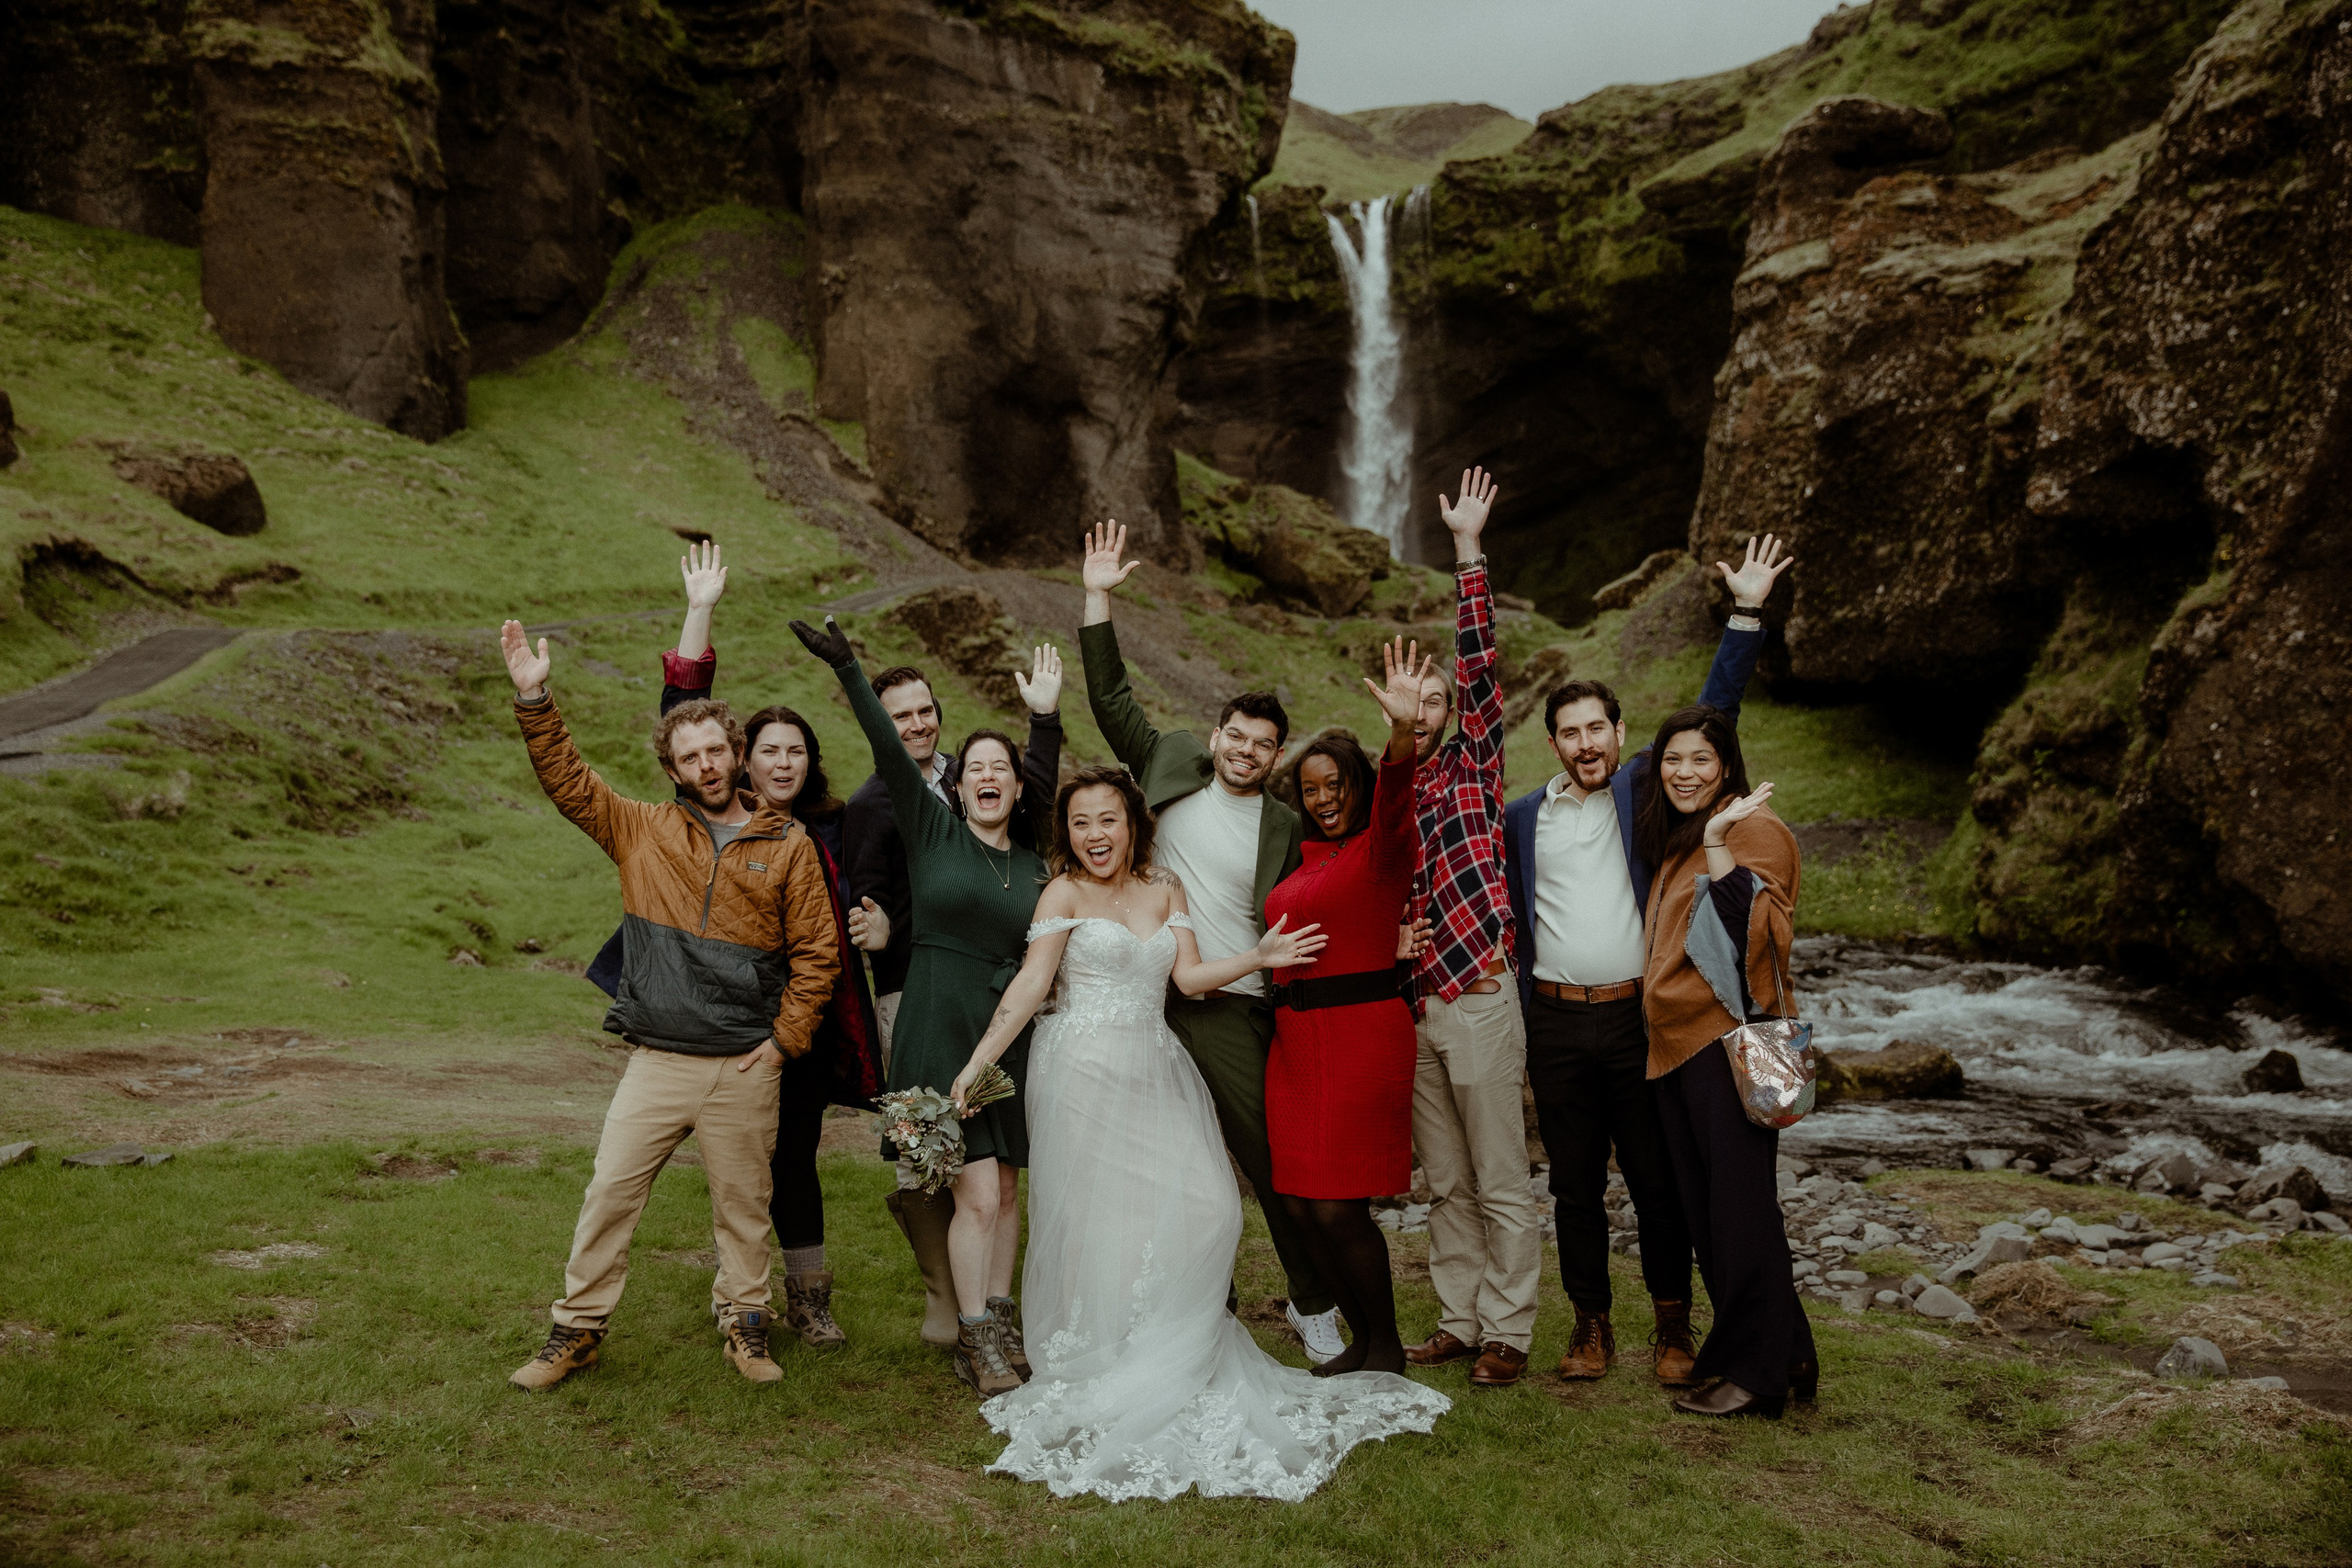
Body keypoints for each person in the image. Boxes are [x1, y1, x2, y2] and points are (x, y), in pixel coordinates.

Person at [949, 764, 1450, 1500]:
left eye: (1108, 819)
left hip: (1153, 1063)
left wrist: (1260, 957)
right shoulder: (1063, 893)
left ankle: (1171, 1343)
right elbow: (1031, 983)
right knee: (1099, 1214)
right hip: (1081, 1069)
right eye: (1082, 822)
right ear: (1070, 831)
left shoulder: (1164, 888)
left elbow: (1186, 979)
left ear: (1133, 823)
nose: (1095, 834)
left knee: (1209, 1205)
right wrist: (978, 1062)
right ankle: (1111, 1352)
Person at [496, 618, 840, 1392]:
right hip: (657, 1059)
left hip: (744, 1062)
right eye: (689, 757)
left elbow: (819, 956)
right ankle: (576, 1331)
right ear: (674, 768)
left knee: (745, 1209)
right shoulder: (639, 830)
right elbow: (568, 779)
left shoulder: (787, 844)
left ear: (737, 750)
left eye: (716, 749)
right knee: (609, 1194)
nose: (706, 764)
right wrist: (534, 699)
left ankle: (747, 1329)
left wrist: (783, 1044)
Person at [1499, 534, 1793, 1387]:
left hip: (1637, 1019)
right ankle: (1591, 1324)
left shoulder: (1642, 792)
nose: (1585, 742)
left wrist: (1746, 613)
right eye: (1569, 732)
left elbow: (1709, 727)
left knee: (1660, 1183)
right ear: (1551, 741)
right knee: (1575, 1186)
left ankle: (1675, 1322)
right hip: (1555, 1016)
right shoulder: (1525, 816)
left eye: (1598, 728)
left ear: (1619, 735)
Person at [582, 544, 885, 1350]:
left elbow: (878, 898)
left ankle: (802, 1296)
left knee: (789, 1164)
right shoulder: (712, 813)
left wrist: (880, 926)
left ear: (810, 760)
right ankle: (740, 1306)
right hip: (709, 1015)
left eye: (796, 750)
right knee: (723, 1172)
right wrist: (700, 609)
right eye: (768, 750)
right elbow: (684, 709)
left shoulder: (831, 827)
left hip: (800, 1024)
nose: (781, 761)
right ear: (742, 758)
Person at [1079, 522, 1346, 1365]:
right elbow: (1112, 697)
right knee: (1161, 1165)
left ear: (1274, 758)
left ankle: (1312, 1303)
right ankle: (1198, 1306)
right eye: (1238, 735)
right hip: (1146, 996)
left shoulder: (1283, 819)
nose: (1247, 750)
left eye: (1265, 745)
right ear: (1218, 731)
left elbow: (1334, 880)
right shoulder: (1169, 765)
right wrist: (1098, 597)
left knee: (1266, 1162)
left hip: (1234, 1004)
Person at [790, 612, 1055, 1399]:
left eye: (999, 767)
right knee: (971, 1187)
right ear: (957, 781)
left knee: (1006, 1185)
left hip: (1007, 1033)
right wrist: (847, 669)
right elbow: (884, 749)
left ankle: (999, 1318)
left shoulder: (1037, 865)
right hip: (937, 1023)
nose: (987, 776)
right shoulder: (932, 829)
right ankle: (974, 1334)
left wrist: (1045, 718)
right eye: (973, 766)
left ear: (1014, 782)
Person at [1394, 468, 1537, 1391]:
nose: (1432, 710)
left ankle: (1509, 1330)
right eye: (1419, 702)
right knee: (1442, 1181)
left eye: (1440, 700)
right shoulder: (1394, 790)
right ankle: (1457, 1318)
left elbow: (1481, 668)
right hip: (1420, 1009)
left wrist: (1467, 553)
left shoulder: (1474, 768)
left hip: (1480, 992)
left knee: (1498, 1177)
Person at [1634, 707, 1813, 1418]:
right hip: (1678, 1045)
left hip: (1727, 1042)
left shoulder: (1751, 828)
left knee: (1737, 1215)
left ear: (1727, 765)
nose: (1685, 772)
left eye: (1701, 759)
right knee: (1720, 1213)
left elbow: (1753, 927)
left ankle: (1756, 1374)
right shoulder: (1682, 833)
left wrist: (1715, 840)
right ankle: (1791, 1354)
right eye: (1673, 759)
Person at [1263, 637, 1430, 1377]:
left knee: (1337, 1206)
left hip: (1359, 1036)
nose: (1324, 798)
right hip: (1296, 1043)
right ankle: (1364, 1336)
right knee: (1300, 1204)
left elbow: (1398, 795)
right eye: (1311, 789)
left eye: (1335, 784)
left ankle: (1384, 1348)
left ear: (1357, 783)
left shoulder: (1380, 849)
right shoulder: (1306, 858)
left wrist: (1399, 734)